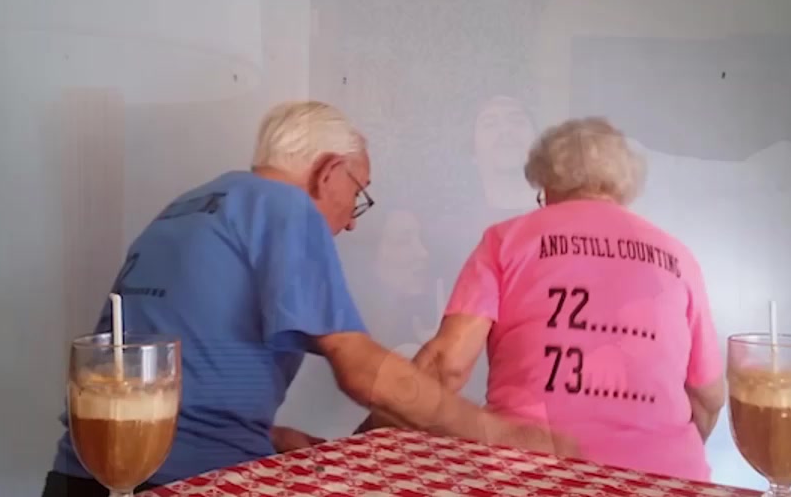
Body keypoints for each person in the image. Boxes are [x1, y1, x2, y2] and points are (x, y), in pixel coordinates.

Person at [41, 101, 580, 497]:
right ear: (328, 172)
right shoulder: (286, 208)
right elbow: (361, 369)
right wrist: (497, 432)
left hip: (81, 475)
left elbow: (179, 366)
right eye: (358, 194)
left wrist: (267, 434)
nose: (351, 221)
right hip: (191, 483)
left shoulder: (189, 206)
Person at [366, 117, 725, 481]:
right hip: (667, 482)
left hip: (533, 475)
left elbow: (447, 366)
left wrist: (367, 437)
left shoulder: (507, 241)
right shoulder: (678, 257)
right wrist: (664, 454)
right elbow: (708, 396)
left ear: (548, 184)